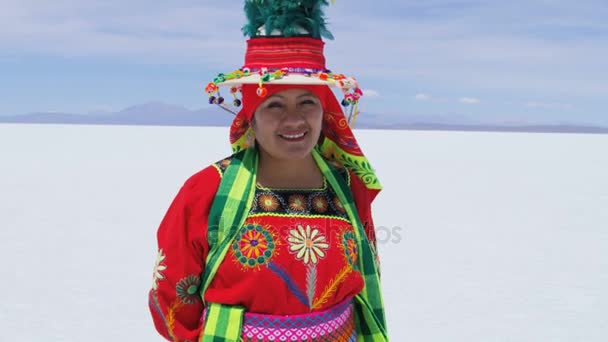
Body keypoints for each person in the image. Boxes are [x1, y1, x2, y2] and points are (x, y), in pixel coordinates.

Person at [148, 1, 388, 341]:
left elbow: (365, 275)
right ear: (251, 116)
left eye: (307, 101)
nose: (294, 119)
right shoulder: (206, 191)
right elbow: (173, 297)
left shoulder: (348, 187)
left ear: (324, 111)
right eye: (274, 104)